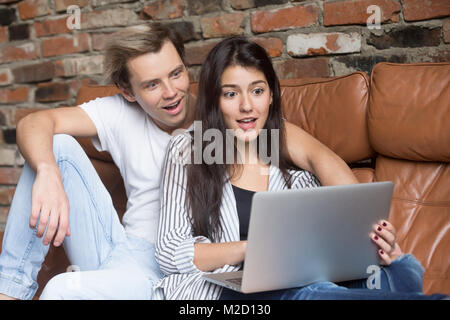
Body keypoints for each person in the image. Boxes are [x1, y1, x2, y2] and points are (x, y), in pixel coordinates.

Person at [0, 23, 357, 300]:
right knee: (55, 146)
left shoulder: (228, 113)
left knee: (63, 289)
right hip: (117, 245)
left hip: (162, 265)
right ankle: (10, 290)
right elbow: (34, 122)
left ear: (188, 69)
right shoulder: (117, 113)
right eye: (152, 85)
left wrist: (360, 226)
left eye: (176, 74)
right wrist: (48, 172)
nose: (171, 92)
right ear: (128, 91)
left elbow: (319, 157)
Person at [154, 37, 447, 300]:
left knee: (389, 276)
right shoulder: (189, 150)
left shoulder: (293, 165)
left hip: (307, 280)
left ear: (271, 96)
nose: (247, 106)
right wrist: (253, 248)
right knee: (311, 294)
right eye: (231, 94)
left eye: (257, 91)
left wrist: (376, 242)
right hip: (227, 291)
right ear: (214, 102)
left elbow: (354, 214)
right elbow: (169, 252)